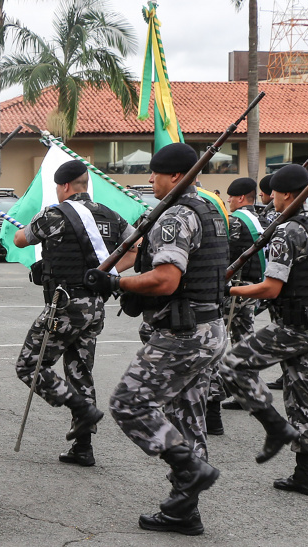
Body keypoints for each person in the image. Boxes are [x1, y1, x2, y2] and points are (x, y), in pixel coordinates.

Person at [84, 143, 228, 536]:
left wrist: (114, 282)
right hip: (209, 328)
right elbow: (142, 254)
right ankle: (185, 511)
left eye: (155, 173)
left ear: (176, 176)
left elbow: (166, 279)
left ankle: (190, 469)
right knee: (188, 417)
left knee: (129, 403)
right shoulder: (209, 211)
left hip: (183, 334)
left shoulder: (177, 216)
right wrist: (102, 271)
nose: (150, 179)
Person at [216, 164, 308, 496]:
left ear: (284, 194)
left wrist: (231, 290)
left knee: (231, 364)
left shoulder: (289, 231)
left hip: (294, 327)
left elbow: (270, 289)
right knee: (303, 397)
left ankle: (274, 427)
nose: (271, 200)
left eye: (274, 195)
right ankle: (304, 475)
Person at [12, 160, 134, 467]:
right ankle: (83, 447)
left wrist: (22, 225)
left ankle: (80, 409)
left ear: (65, 186)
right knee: (80, 370)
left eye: (57, 187)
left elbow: (20, 240)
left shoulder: (53, 214)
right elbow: (137, 247)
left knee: (29, 366)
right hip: (95, 306)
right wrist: (102, 273)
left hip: (64, 306)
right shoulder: (109, 215)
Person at [206, 177, 266, 431]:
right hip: (252, 288)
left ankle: (214, 398)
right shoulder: (262, 219)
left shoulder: (236, 222)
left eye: (230, 197)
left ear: (241, 198)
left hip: (233, 291)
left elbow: (224, 254)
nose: (228, 201)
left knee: (218, 343)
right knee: (245, 340)